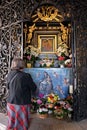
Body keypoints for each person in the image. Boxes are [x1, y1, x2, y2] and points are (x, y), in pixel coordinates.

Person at [6, 58, 37, 130]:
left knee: (12, 121)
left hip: (11, 102)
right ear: (22, 65)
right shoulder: (26, 76)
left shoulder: (9, 74)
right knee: (21, 125)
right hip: (22, 103)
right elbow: (33, 88)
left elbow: (8, 87)